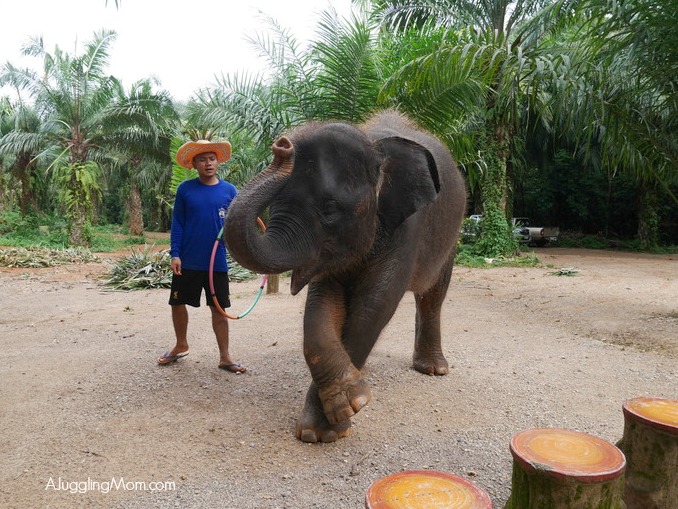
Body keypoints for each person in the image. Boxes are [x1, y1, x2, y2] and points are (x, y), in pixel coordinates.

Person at [157, 139, 246, 373]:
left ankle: (225, 357)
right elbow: (178, 223)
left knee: (218, 308)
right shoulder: (185, 189)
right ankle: (180, 344)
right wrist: (175, 254)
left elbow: (236, 226)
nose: (208, 163)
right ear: (194, 163)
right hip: (188, 259)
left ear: (218, 162)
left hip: (215, 262)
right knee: (177, 303)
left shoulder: (229, 191)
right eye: (203, 159)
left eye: (212, 158)